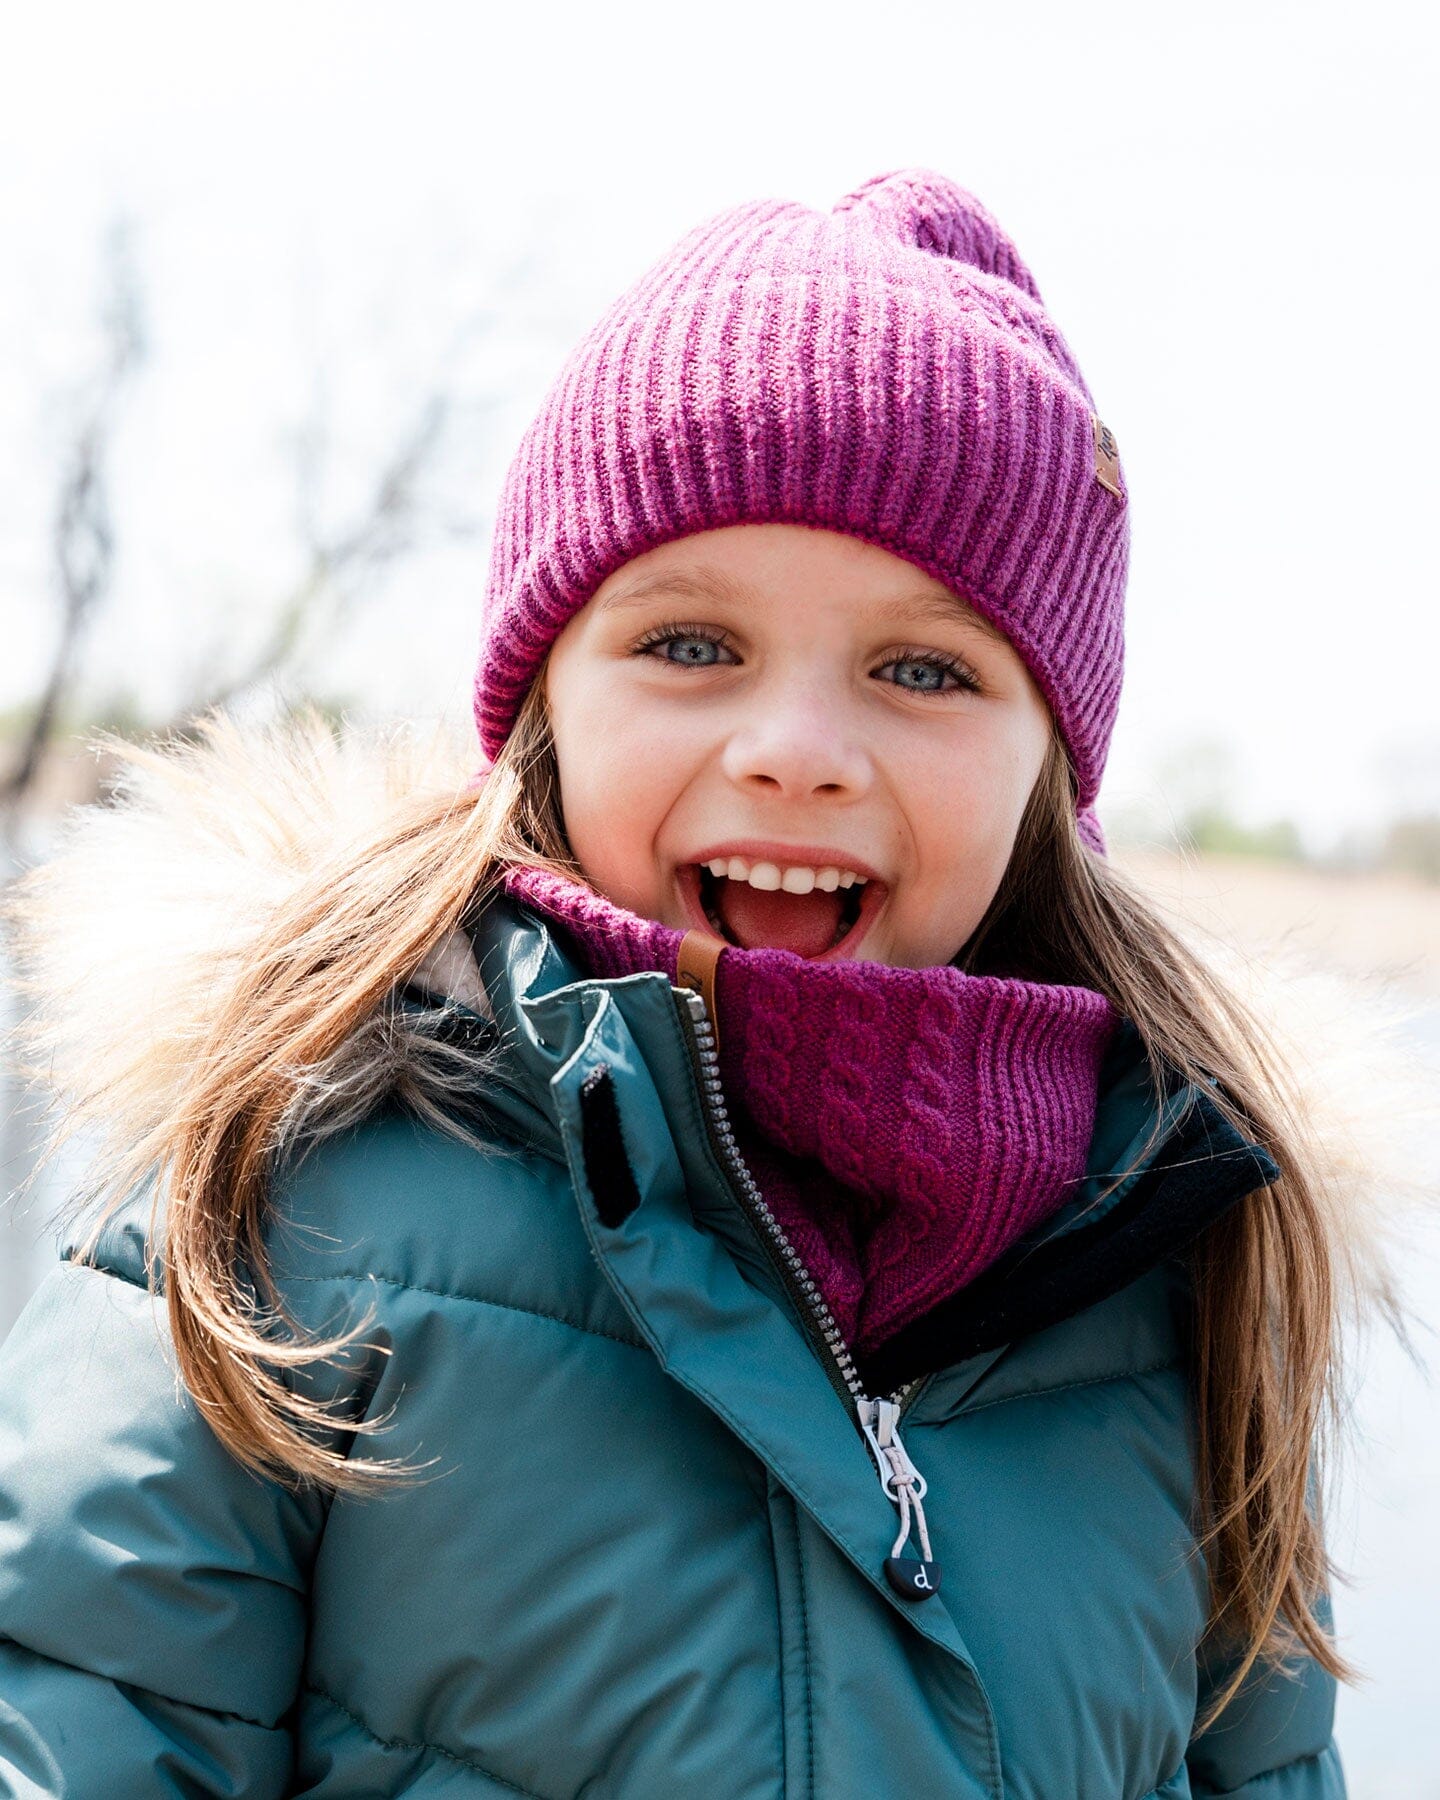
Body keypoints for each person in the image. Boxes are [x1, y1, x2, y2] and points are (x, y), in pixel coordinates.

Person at [0, 166, 1419, 1798]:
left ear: (1055, 773)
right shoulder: (286, 1197)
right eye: (690, 645)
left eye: (923, 668)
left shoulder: (1187, 1255)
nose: (796, 752)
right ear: (545, 703)